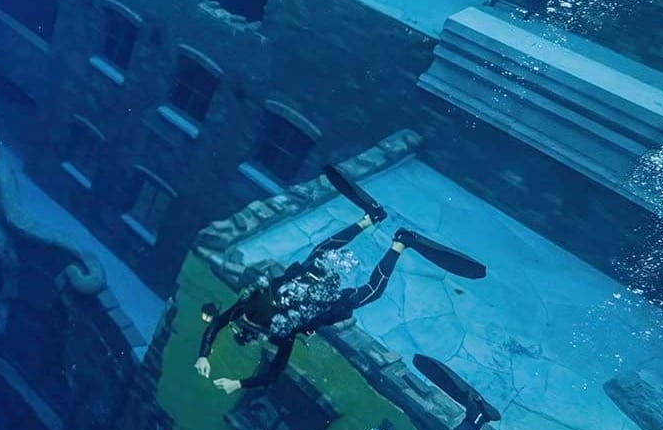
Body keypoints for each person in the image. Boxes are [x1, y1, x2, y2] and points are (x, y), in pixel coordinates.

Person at [195, 166, 487, 393]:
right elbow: (220, 323)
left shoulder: (277, 331)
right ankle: (372, 219)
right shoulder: (250, 306)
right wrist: (205, 356)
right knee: (322, 254)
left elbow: (272, 374)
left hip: (323, 300)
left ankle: (400, 241)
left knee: (366, 289)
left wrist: (235, 382)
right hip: (314, 289)